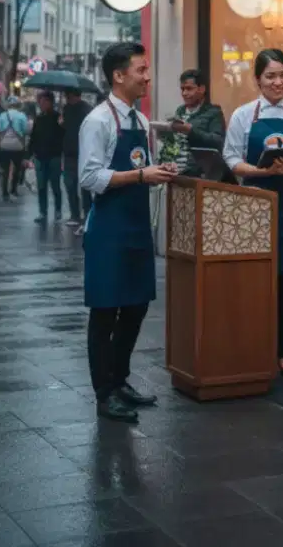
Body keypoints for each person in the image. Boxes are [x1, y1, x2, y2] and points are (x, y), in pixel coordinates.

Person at [79, 42, 177, 422]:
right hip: (108, 229)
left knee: (136, 307)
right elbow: (89, 177)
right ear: (119, 76)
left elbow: (142, 169)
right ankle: (104, 393)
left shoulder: (139, 121)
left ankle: (120, 380)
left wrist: (159, 171)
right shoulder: (99, 121)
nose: (147, 77)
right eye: (141, 70)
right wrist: (141, 175)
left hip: (137, 227)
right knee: (105, 311)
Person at [222, 48, 283, 380]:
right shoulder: (243, 115)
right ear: (257, 80)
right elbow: (231, 158)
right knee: (254, 283)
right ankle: (253, 350)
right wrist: (259, 171)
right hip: (254, 207)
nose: (278, 82)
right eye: (270, 76)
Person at [170, 69, 226, 177]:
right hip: (176, 174)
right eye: (182, 89)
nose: (184, 93)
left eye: (189, 89)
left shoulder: (213, 112)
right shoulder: (180, 111)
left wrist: (191, 131)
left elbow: (218, 141)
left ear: (202, 89)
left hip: (199, 175)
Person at [29, 92, 64, 224]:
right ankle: (43, 212)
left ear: (51, 102)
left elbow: (62, 136)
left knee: (55, 185)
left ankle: (58, 210)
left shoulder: (58, 117)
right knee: (41, 186)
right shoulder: (39, 118)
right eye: (41, 102)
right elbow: (33, 137)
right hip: (40, 156)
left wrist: (62, 125)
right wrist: (29, 155)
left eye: (45, 102)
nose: (42, 104)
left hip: (54, 156)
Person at [62, 89, 92, 230]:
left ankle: (88, 215)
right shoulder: (66, 109)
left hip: (84, 151)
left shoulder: (86, 109)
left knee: (85, 186)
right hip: (69, 152)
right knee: (69, 183)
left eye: (68, 95)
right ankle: (75, 214)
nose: (66, 97)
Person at [0, 96, 27, 200]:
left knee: (5, 169)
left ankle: (5, 192)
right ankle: (13, 189)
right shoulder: (22, 115)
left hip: (4, 145)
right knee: (17, 169)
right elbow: (25, 130)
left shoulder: (2, 115)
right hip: (18, 146)